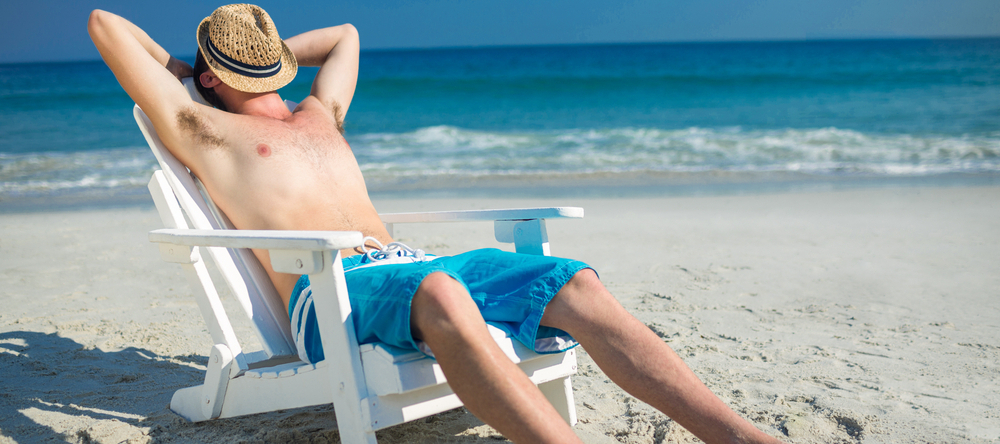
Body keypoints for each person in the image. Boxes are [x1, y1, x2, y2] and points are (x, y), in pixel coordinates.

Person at [89, 5, 784, 443]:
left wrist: (260, 63)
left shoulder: (318, 114)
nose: (271, 80)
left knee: (576, 284)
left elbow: (345, 37)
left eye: (272, 67)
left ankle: (741, 438)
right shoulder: (201, 125)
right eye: (253, 70)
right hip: (332, 293)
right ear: (211, 80)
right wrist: (189, 73)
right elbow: (105, 24)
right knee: (446, 297)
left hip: (413, 263)